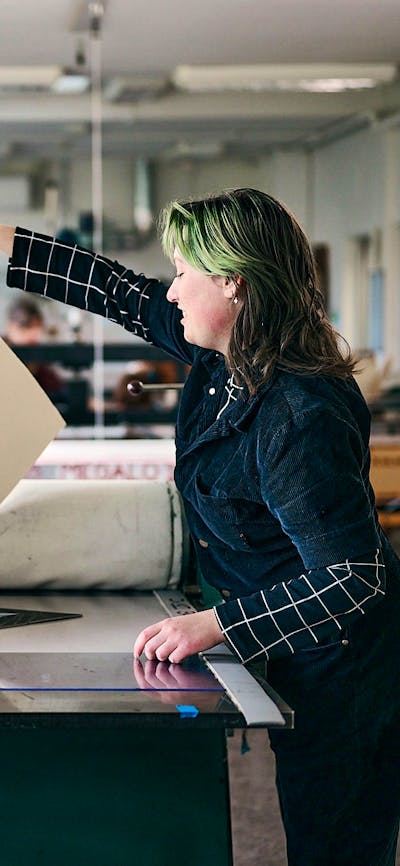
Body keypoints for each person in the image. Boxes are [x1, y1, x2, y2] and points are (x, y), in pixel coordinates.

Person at [1, 189, 399, 865]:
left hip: (344, 664)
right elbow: (116, 290)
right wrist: (4, 241)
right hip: (291, 639)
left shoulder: (297, 415)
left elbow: (353, 578)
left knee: (333, 842)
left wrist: (217, 625)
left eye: (184, 272)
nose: (172, 290)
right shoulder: (223, 357)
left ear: (234, 282)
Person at [3, 294, 65, 399]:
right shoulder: (4, 354)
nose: (34, 335)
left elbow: (56, 388)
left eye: (36, 327)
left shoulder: (38, 360)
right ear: (11, 327)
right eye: (26, 327)